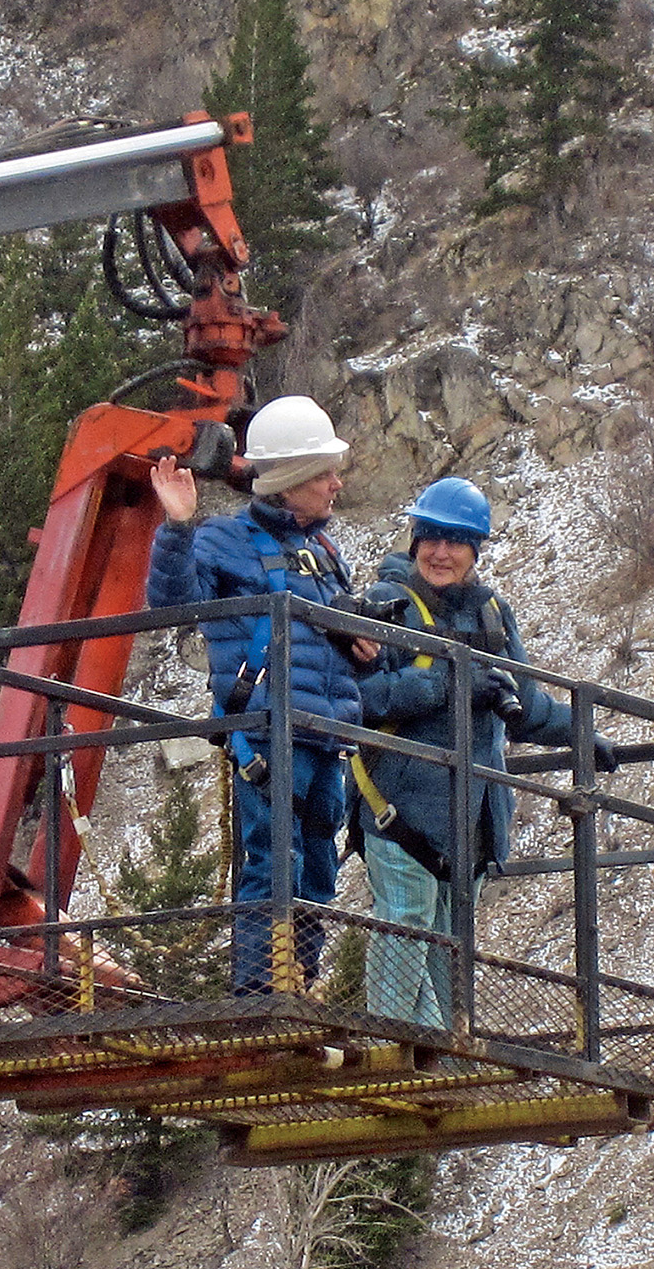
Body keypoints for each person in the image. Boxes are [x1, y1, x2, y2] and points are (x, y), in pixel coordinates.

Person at [351, 477, 616, 1029]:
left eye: (455, 541)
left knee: (452, 959)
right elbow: (355, 700)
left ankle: (442, 1066)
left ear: (476, 549)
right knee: (404, 932)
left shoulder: (492, 614)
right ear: (415, 538)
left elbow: (524, 702)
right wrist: (448, 687)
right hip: (399, 809)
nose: (440, 552)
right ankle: (393, 1056)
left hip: (471, 821)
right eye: (431, 538)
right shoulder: (383, 606)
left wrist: (580, 735)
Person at [145, 395, 379, 995]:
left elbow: (326, 642)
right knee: (275, 859)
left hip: (326, 734)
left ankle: (298, 975)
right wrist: (176, 527)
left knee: (319, 865)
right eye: (323, 472)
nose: (335, 483)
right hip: (269, 731)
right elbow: (172, 603)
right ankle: (260, 988)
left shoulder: (326, 555)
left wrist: (366, 646)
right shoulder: (225, 541)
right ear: (292, 478)